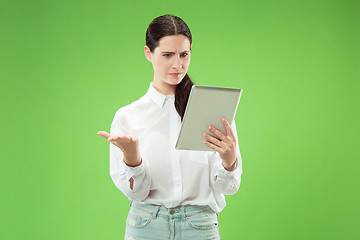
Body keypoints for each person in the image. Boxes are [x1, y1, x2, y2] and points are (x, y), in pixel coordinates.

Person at [97, 14, 243, 240]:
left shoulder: (214, 108)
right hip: (145, 226)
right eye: (167, 55)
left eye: (184, 54)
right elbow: (136, 192)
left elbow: (229, 187)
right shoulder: (128, 116)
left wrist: (229, 161)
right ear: (148, 53)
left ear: (191, 50)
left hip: (200, 227)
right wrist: (132, 159)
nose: (178, 64)